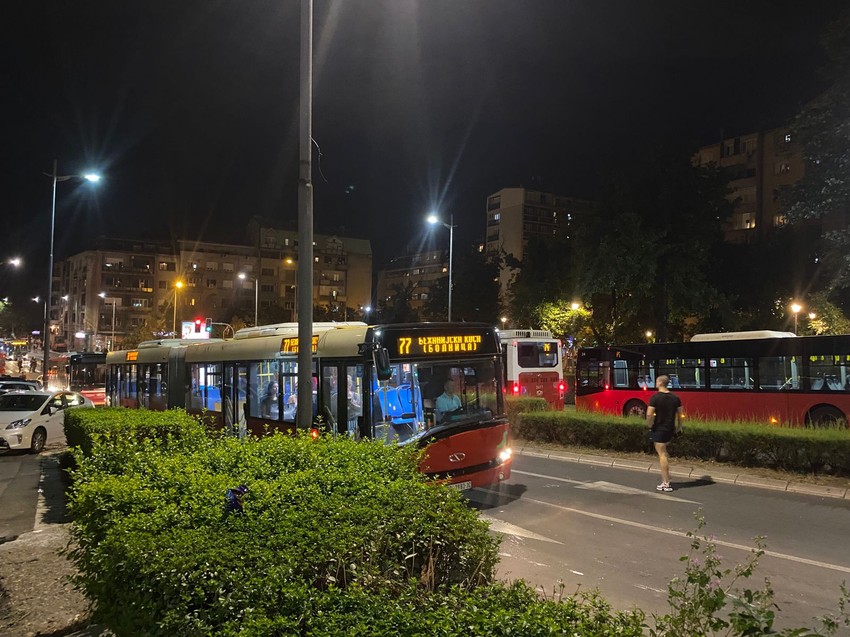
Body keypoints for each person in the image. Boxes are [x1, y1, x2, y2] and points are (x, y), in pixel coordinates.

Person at [646, 374, 683, 492]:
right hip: (670, 428)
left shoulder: (655, 398)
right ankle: (666, 478)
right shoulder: (675, 398)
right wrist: (679, 427)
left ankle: (666, 482)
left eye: (657, 381)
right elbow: (681, 415)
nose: (655, 383)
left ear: (661, 383)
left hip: (659, 429)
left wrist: (649, 424)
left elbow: (649, 414)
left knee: (662, 454)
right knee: (664, 452)